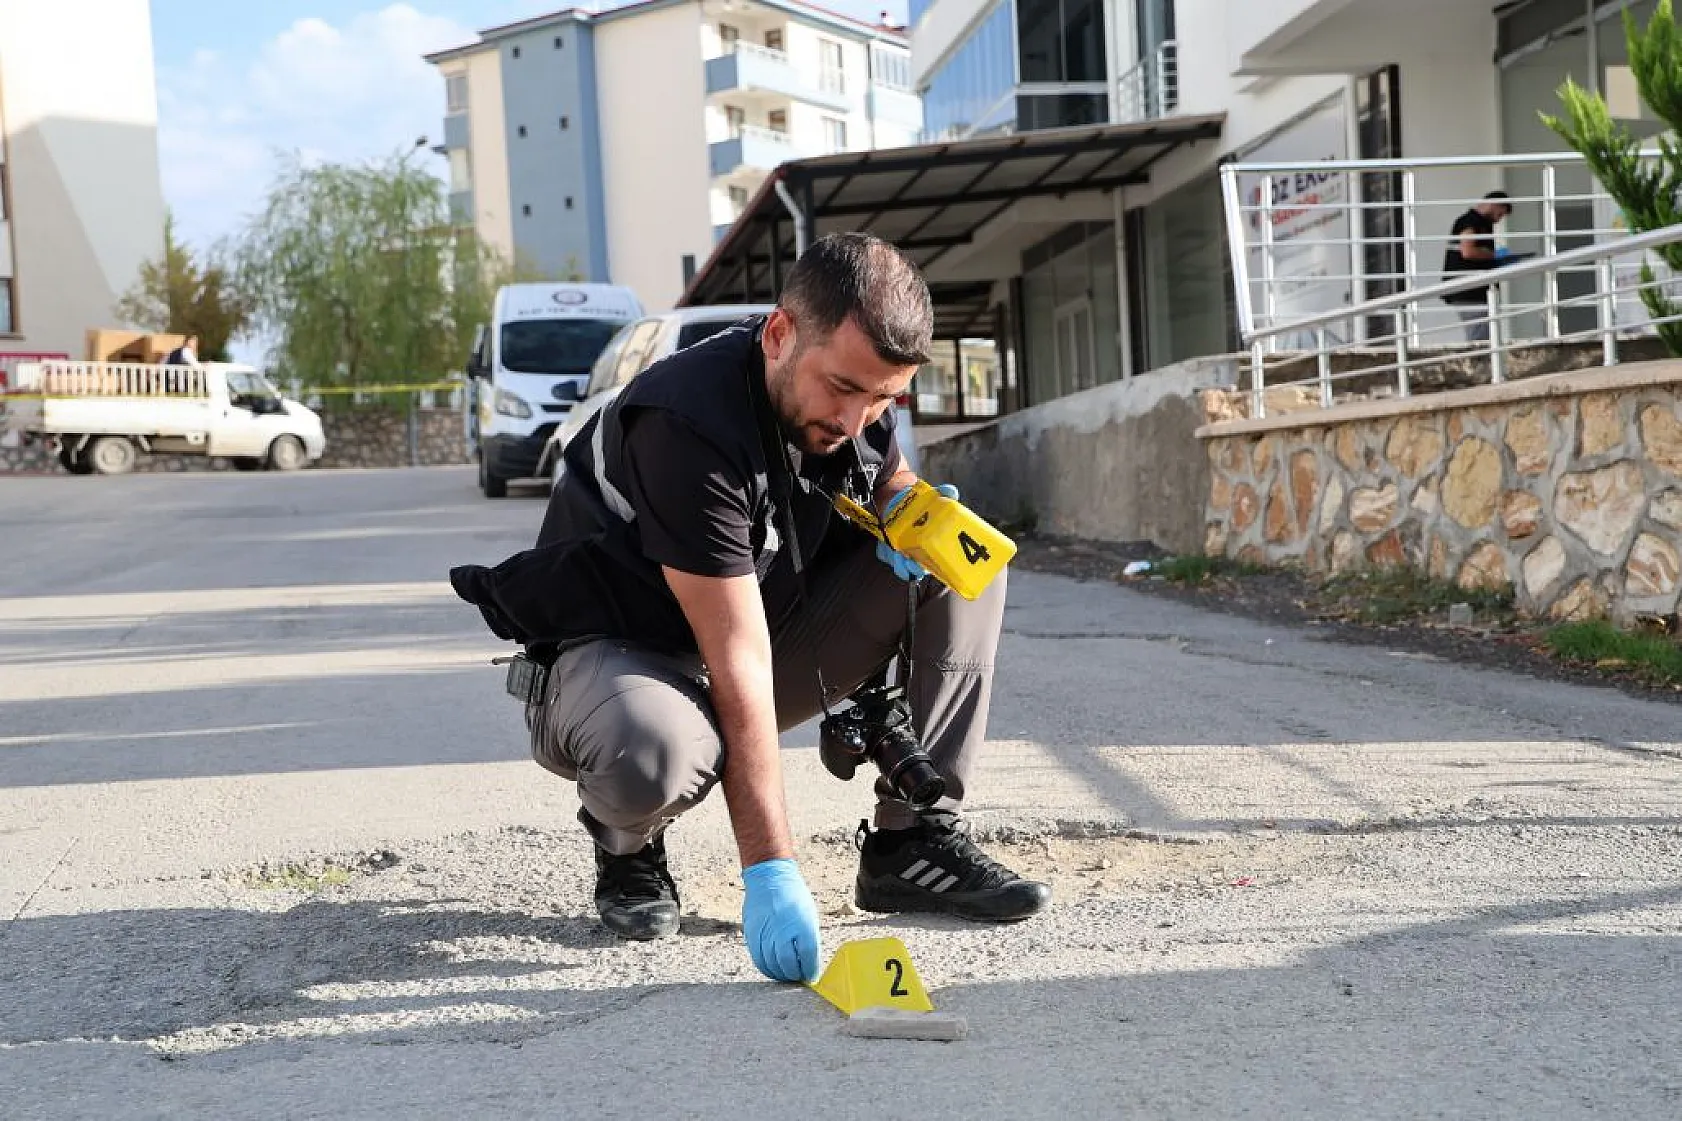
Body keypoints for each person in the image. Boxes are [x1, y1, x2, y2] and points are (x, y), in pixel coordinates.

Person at [449, 233, 1050, 984]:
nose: (857, 418)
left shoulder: (853, 403)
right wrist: (771, 870)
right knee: (655, 753)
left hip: (747, 632)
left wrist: (911, 516)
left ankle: (911, 841)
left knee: (963, 562)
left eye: (882, 399)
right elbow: (735, 653)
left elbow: (885, 475)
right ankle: (627, 845)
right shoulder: (687, 424)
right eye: (843, 388)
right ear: (778, 335)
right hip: (618, 659)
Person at [1441, 191, 1514, 343]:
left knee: (1483, 333)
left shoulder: (1479, 224)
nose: (1498, 220)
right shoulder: (1471, 221)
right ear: (1494, 204)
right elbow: (1468, 251)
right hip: (1469, 290)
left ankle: (1483, 362)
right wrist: (1496, 256)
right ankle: (1481, 363)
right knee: (1480, 336)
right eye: (1500, 214)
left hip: (1474, 290)